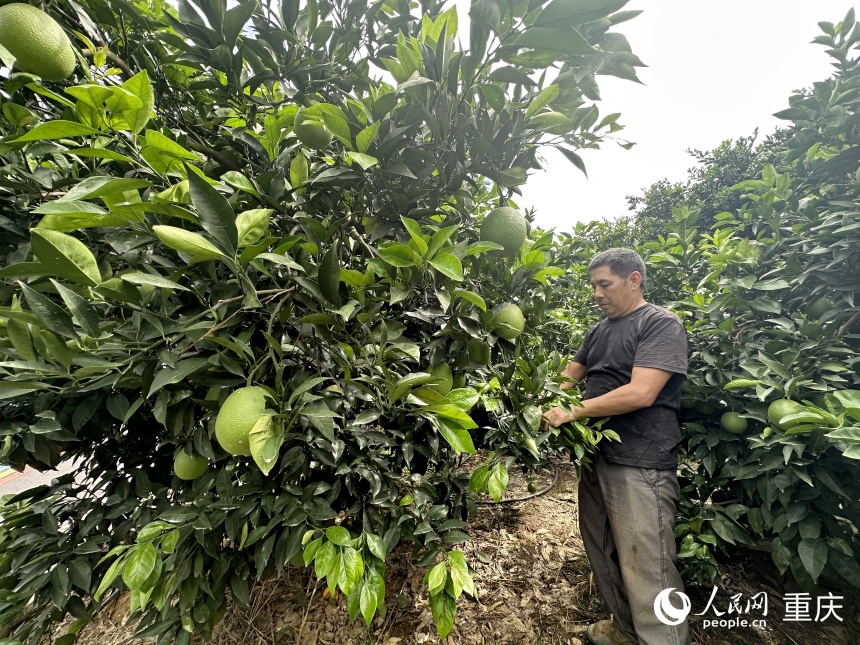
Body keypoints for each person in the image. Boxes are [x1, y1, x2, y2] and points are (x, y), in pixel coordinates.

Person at [542, 248, 691, 645]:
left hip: (641, 461)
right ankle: (626, 629)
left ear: (634, 280)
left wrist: (572, 410)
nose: (596, 293)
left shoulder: (660, 324)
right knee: (603, 549)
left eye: (603, 284)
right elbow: (567, 379)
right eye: (593, 285)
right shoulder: (599, 331)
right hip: (598, 455)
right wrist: (537, 404)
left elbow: (642, 392)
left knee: (649, 564)